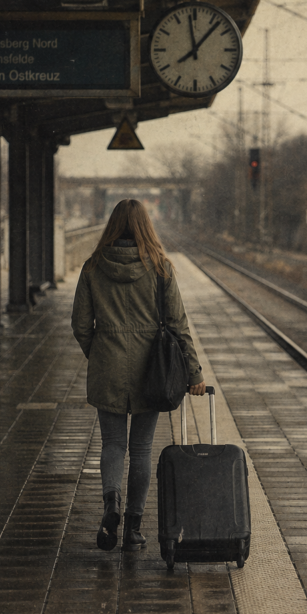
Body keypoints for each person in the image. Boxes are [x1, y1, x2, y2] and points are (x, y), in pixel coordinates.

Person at [71, 199, 205, 552]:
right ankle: (132, 528)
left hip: (108, 366)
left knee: (113, 444)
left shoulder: (93, 266)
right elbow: (178, 324)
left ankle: (110, 503)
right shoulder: (161, 268)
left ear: (112, 226)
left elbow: (81, 325)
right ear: (147, 225)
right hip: (152, 370)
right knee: (142, 448)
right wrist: (194, 372)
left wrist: (98, 353)